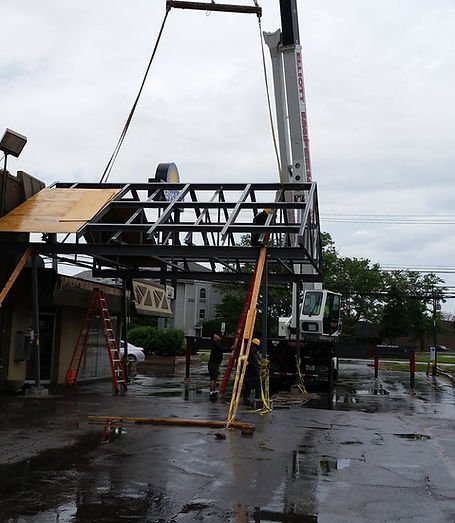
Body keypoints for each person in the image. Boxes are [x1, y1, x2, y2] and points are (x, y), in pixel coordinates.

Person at [243, 338, 262, 406]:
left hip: (251, 372)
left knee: (249, 386)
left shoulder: (250, 350)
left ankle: (247, 399)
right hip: (253, 372)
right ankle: (256, 398)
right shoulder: (253, 352)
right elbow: (254, 362)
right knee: (256, 385)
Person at [208, 333, 225, 401]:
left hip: (215, 363)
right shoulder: (216, 344)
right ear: (214, 338)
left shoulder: (217, 343)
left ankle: (213, 390)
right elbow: (222, 349)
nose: (218, 336)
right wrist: (231, 348)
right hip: (213, 363)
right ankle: (212, 392)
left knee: (214, 378)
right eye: (216, 336)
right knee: (213, 378)